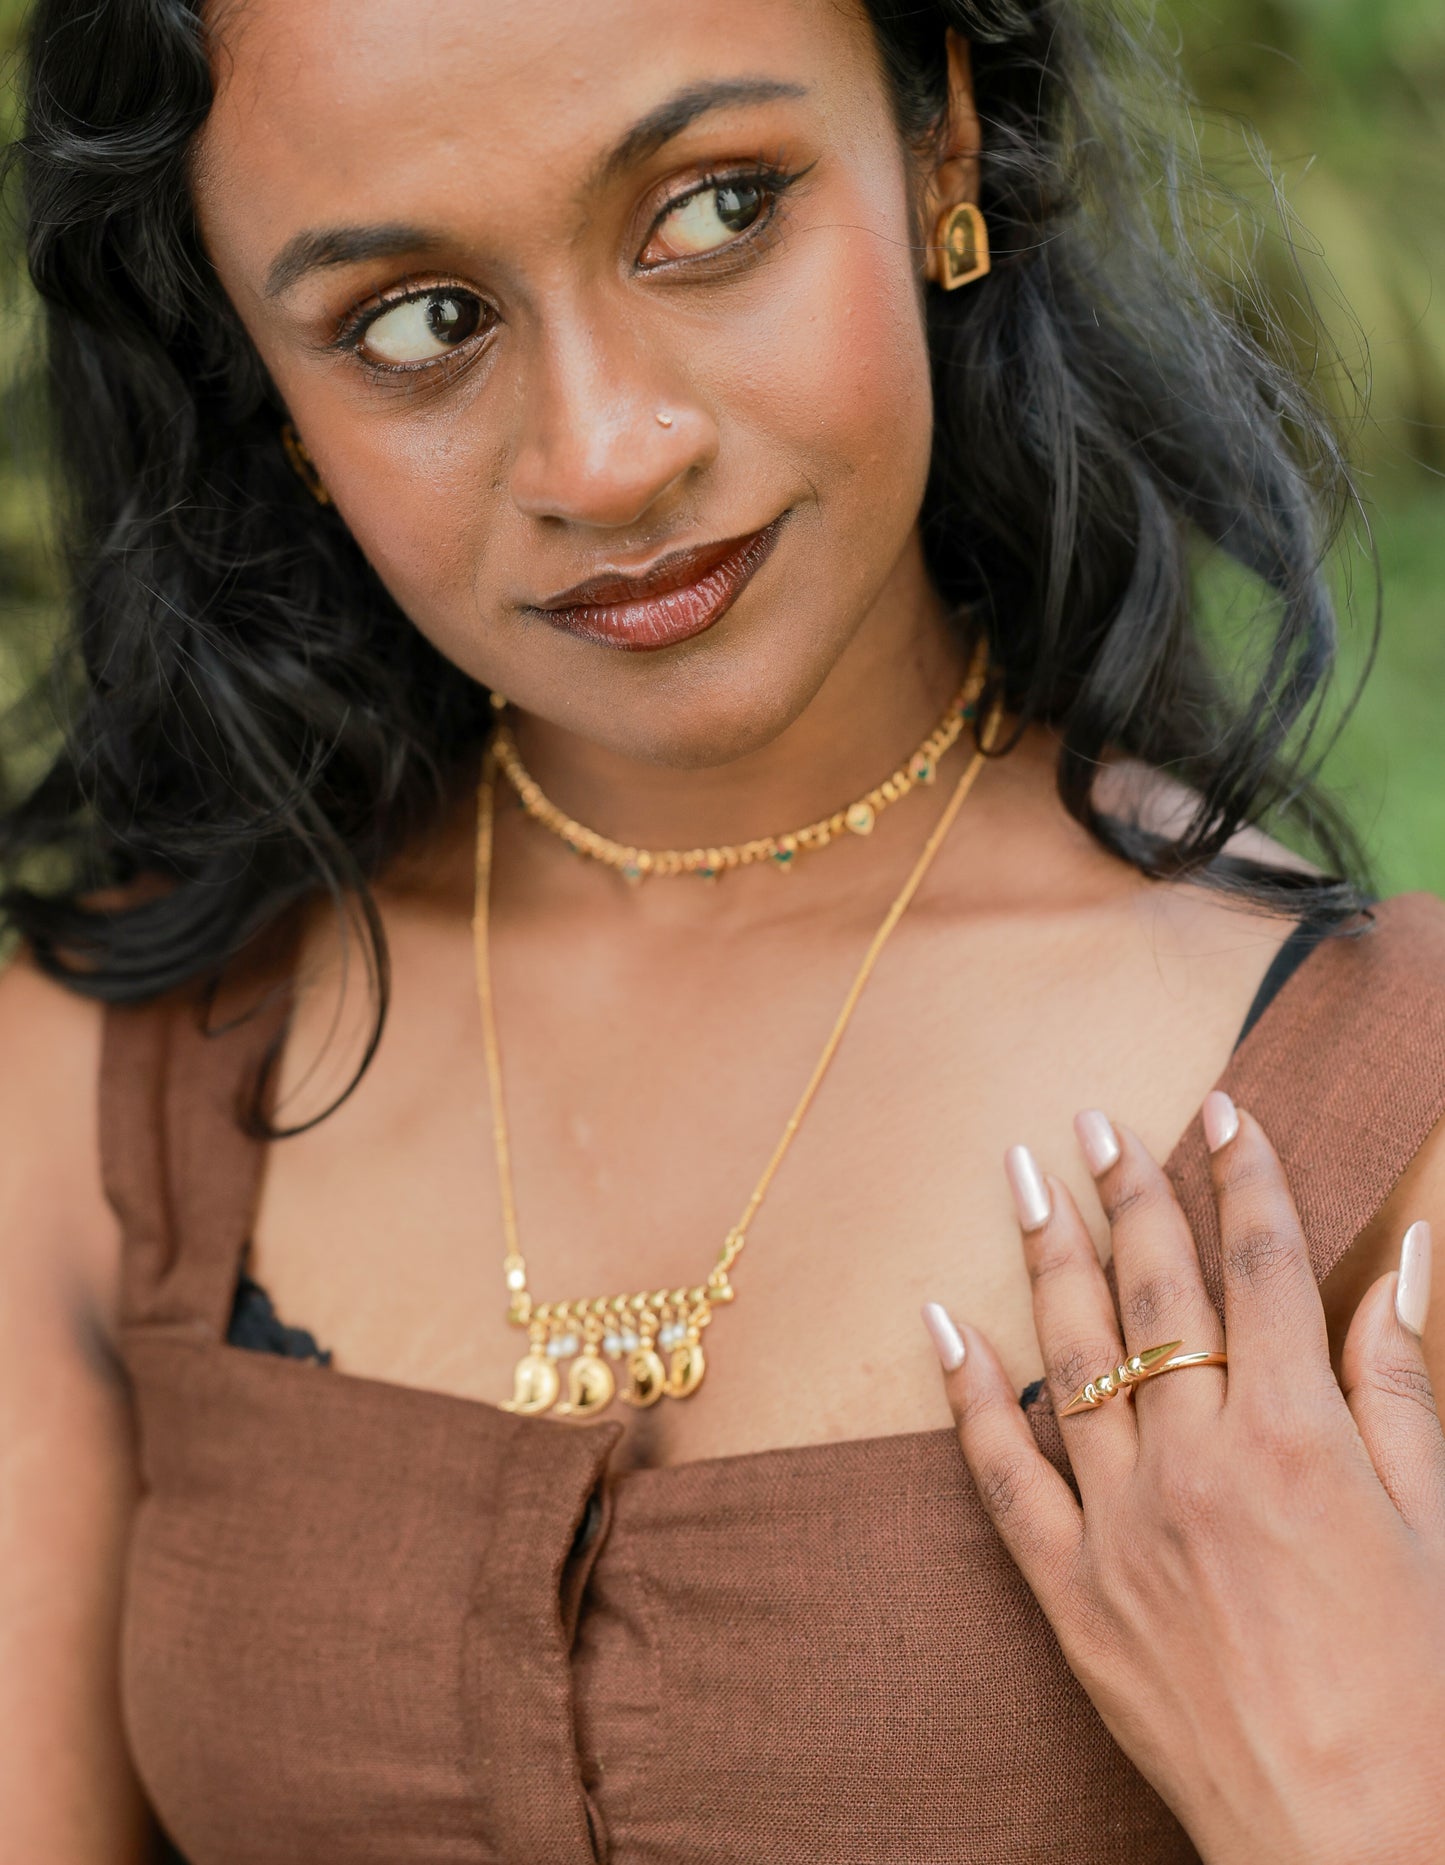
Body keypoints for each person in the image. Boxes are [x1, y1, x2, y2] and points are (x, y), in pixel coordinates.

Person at [2, 0, 1443, 1858]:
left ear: (937, 136)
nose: (606, 455)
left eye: (713, 211)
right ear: (264, 387)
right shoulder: (100, 1080)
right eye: (417, 323)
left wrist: (1356, 1793)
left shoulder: (1380, 1130)